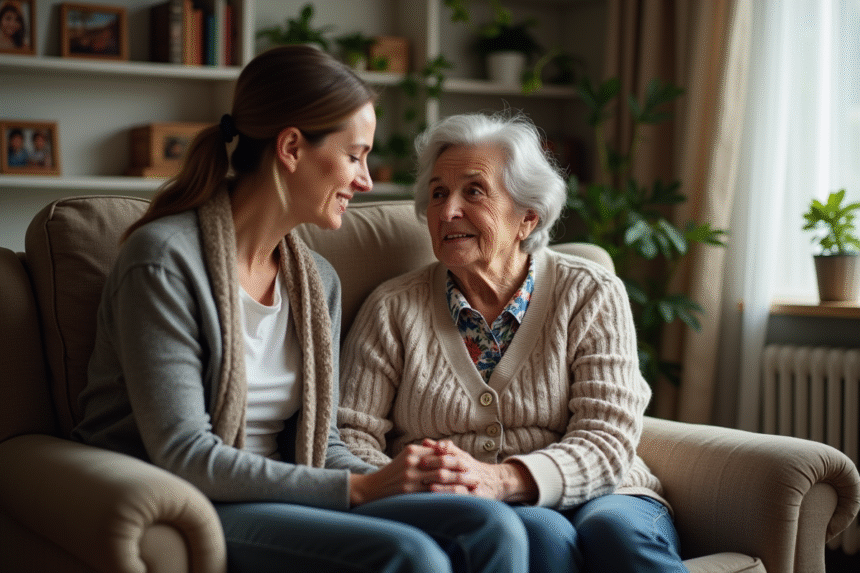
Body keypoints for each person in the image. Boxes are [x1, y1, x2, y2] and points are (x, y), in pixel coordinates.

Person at [71, 46, 528, 573]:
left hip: (286, 489)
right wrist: (360, 488)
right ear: (291, 147)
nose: (366, 180)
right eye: (355, 155)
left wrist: (400, 473)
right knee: (410, 555)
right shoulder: (163, 262)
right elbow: (183, 453)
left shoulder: (317, 283)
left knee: (492, 527)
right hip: (193, 497)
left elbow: (321, 443)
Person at [338, 112, 688, 572]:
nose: (447, 211)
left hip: (606, 492)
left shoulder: (590, 293)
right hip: (468, 510)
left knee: (615, 532)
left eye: (474, 191)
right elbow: (349, 435)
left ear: (527, 217)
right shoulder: (392, 308)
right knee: (541, 533)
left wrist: (504, 478)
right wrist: (422, 481)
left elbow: (607, 437)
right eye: (438, 193)